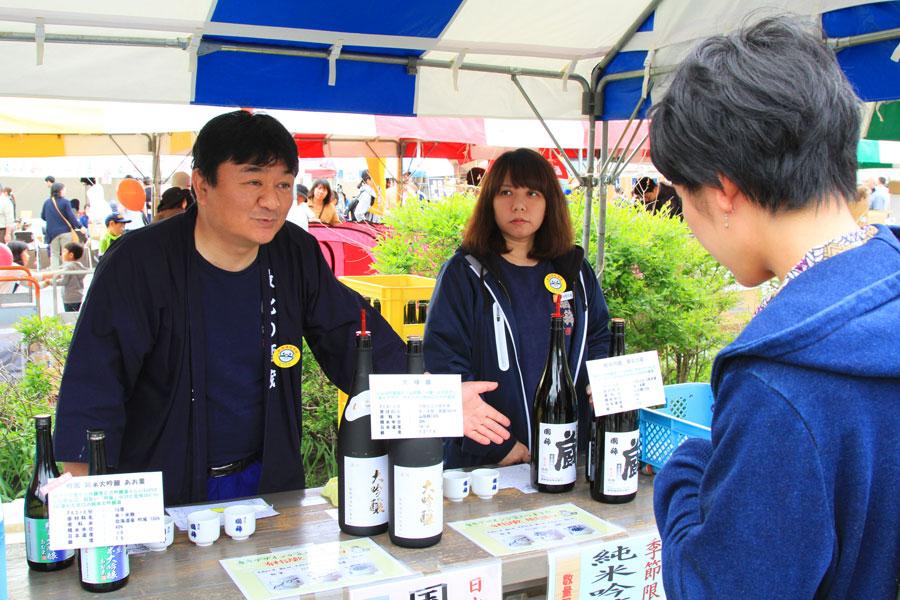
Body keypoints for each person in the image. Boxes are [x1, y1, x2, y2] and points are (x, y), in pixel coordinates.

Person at [53, 110, 510, 505]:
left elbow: (353, 339)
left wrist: (433, 397)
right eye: (253, 182)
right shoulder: (140, 262)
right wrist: (81, 489)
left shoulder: (292, 251)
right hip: (161, 485)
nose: (272, 201)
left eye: (285, 185)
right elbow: (96, 382)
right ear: (202, 185)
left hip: (267, 482)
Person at [648, 17, 899, 599]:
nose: (687, 223)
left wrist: (686, 470)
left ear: (723, 190)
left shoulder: (782, 380)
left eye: (682, 197)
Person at [424, 148, 611, 468]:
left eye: (533, 193)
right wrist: (498, 447)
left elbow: (598, 338)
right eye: (506, 192)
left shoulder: (574, 272)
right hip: (488, 461)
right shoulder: (465, 273)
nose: (519, 204)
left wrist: (605, 380)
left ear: (550, 201)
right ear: (489, 202)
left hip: (567, 454)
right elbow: (444, 363)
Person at [40, 182, 84, 268]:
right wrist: (80, 226)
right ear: (60, 191)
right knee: (66, 254)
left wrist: (52, 220)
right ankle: (65, 273)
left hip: (52, 233)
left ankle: (54, 275)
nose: (65, 191)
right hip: (65, 231)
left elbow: (43, 216)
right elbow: (71, 217)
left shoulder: (47, 202)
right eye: (64, 189)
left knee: (54, 254)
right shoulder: (65, 202)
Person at [40, 242, 85, 312]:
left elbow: (64, 281)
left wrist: (50, 282)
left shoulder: (69, 267)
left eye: (64, 252)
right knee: (75, 313)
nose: (62, 254)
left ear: (71, 255)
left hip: (69, 296)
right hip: (78, 295)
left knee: (69, 314)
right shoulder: (79, 265)